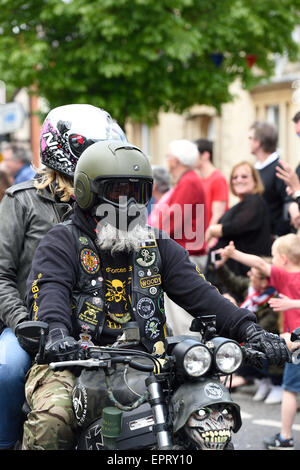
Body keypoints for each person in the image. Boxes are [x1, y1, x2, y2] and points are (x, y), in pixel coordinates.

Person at [21, 139, 290, 450]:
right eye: (117, 191)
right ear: (86, 192)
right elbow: (49, 291)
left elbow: (202, 294)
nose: (129, 202)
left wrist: (252, 330)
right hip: (72, 363)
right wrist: (56, 334)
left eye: (137, 192)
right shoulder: (61, 242)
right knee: (53, 419)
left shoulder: (157, 245)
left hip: (149, 362)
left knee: (204, 415)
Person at [0, 103, 127, 450]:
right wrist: (27, 324)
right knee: (6, 369)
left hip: (97, 324)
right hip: (31, 323)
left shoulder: (110, 204)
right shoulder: (22, 201)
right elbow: (1, 275)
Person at [221, 234, 300, 450]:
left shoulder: (284, 276)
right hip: (294, 340)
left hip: (297, 343)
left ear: (283, 259)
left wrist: (234, 254)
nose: (270, 262)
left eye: (274, 257)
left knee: (290, 390)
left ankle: (285, 438)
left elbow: (258, 263)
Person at [213, 256, 283, 403]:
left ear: (264, 282)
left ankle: (277, 385)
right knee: (244, 353)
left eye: (253, 274)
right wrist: (220, 267)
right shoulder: (251, 290)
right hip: (253, 340)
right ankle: (264, 380)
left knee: (263, 351)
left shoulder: (274, 301)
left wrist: (242, 325)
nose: (249, 275)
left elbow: (265, 327)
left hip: (270, 343)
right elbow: (233, 282)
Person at [155, 139, 207, 335]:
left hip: (186, 254)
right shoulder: (189, 180)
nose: (167, 160)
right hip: (185, 251)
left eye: (169, 156)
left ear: (176, 160)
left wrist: (152, 236)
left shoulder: (189, 181)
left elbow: (173, 220)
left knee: (183, 316)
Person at [205, 161, 272, 285]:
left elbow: (236, 226)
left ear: (255, 181)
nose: (239, 180)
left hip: (243, 274)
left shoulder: (254, 201)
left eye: (244, 176)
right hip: (227, 272)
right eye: (235, 177)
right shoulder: (240, 205)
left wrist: (212, 230)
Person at [248, 121, 290, 237]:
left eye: (251, 138)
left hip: (273, 237)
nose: (249, 142)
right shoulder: (254, 169)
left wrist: (277, 234)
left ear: (259, 142)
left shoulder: (279, 168)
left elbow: (288, 203)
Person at [194, 138, 229, 229]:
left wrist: (207, 239)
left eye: (194, 154)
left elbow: (217, 215)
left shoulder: (218, 178)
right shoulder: (197, 179)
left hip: (210, 237)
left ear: (205, 155)